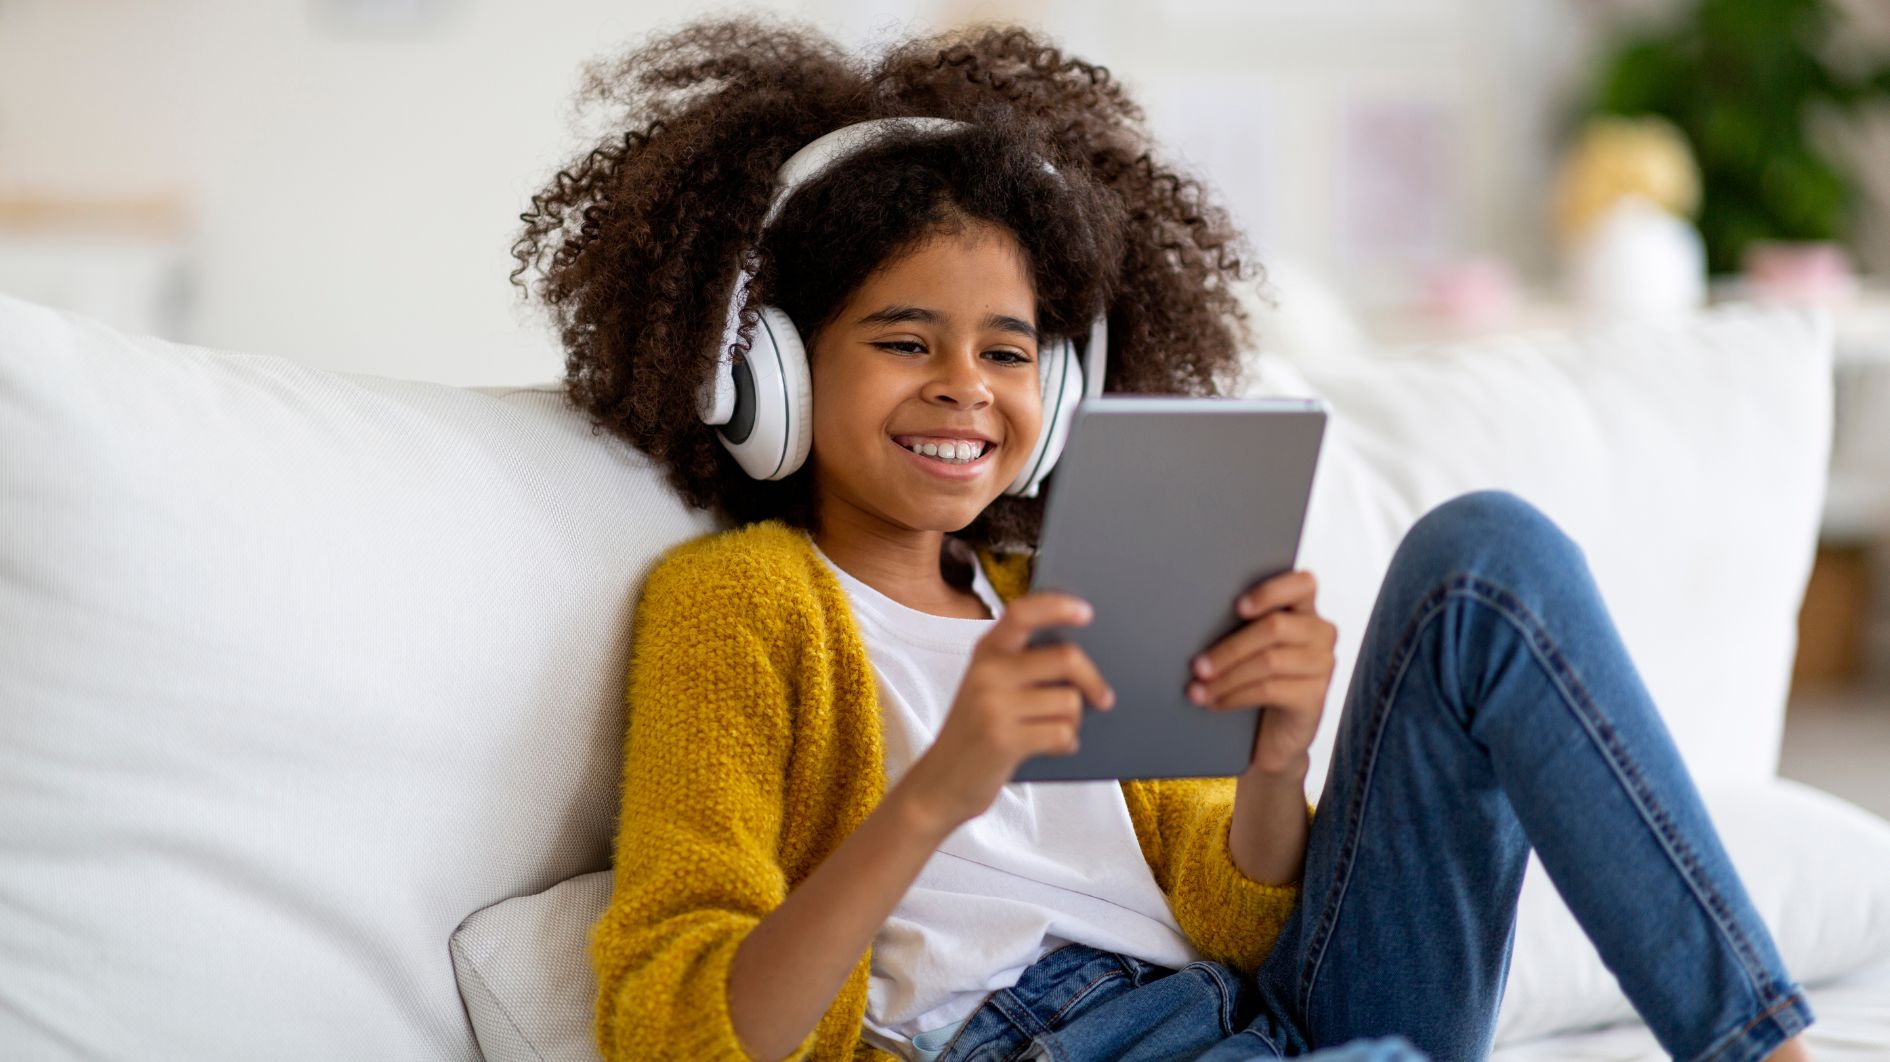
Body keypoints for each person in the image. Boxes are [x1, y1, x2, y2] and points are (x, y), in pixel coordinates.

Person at [508, 17, 1816, 1062]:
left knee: (1485, 555)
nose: (966, 384)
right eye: (904, 339)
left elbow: (1238, 918)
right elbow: (680, 1031)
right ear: (769, 370)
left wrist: (1274, 757)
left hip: (1267, 1014)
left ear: (1061, 391)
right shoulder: (735, 605)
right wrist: (932, 795)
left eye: (1009, 350)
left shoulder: (1074, 583)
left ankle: (1763, 1048)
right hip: (1014, 1041)